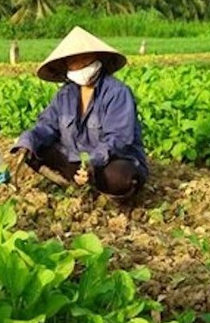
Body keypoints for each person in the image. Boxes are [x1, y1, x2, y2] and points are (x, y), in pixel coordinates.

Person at [11, 26, 148, 200]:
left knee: (120, 177)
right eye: (73, 61)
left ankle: (93, 186)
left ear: (97, 58)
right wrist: (27, 141)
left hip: (107, 161)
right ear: (66, 65)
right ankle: (73, 184)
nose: (79, 65)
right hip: (76, 160)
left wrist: (91, 163)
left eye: (85, 58)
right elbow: (47, 126)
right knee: (35, 151)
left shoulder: (117, 92)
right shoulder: (65, 95)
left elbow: (118, 139)